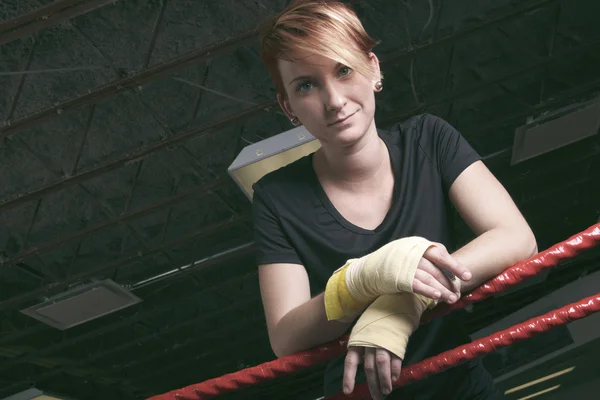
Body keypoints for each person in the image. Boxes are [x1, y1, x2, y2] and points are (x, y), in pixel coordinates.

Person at [251, 1, 538, 399]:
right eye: (306, 85)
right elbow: (285, 335)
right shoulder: (275, 196)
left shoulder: (429, 139)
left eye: (344, 70)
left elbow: (516, 238)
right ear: (289, 108)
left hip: (460, 386)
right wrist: (364, 278)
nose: (333, 100)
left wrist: (403, 304)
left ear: (374, 68)